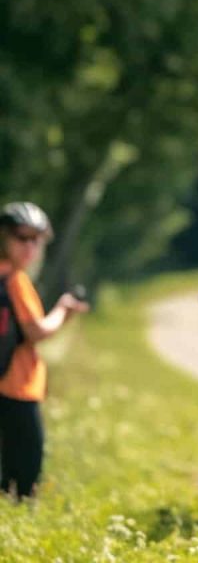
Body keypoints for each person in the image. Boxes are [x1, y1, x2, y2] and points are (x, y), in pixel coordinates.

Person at [0, 202, 89, 499]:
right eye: (21, 237)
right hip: (17, 385)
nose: (29, 246)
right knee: (25, 476)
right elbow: (35, 331)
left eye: (36, 239)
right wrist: (64, 310)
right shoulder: (15, 280)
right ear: (4, 236)